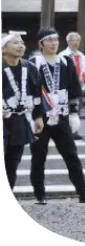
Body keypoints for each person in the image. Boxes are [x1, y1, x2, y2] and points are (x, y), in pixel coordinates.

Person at [28, 27, 85, 204]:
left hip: (61, 115)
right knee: (38, 156)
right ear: (41, 43)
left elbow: (75, 90)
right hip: (41, 117)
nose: (53, 43)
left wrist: (74, 112)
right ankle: (40, 194)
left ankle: (84, 194)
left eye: (55, 40)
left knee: (71, 155)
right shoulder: (34, 62)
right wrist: (35, 115)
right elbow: (31, 90)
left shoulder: (66, 61)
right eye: (49, 40)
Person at [2, 31, 45, 192]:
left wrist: (38, 116)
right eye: (15, 43)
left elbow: (37, 94)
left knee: (13, 161)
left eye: (22, 42)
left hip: (20, 119)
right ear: (3, 49)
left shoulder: (30, 67)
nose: (21, 46)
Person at [59, 32, 85, 140]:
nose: (76, 42)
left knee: (76, 109)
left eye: (78, 40)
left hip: (78, 86)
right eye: (74, 40)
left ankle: (75, 131)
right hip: (66, 88)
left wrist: (82, 78)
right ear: (68, 42)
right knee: (65, 109)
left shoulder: (82, 56)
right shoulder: (62, 55)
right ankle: (65, 131)